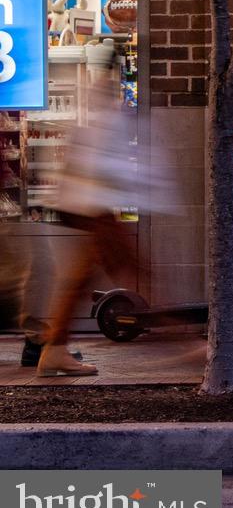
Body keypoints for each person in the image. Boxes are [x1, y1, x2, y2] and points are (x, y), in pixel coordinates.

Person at [33, 44, 142, 377]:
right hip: (91, 205)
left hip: (83, 204)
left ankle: (54, 351)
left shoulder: (98, 101)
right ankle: (190, 346)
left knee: (81, 279)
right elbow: (101, 161)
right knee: (135, 271)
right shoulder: (106, 107)